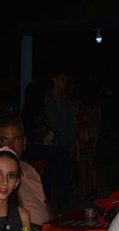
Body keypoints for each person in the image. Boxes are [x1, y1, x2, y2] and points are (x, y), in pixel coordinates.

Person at [0, 114, 54, 227]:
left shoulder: (29, 169)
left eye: (16, 140)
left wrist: (54, 228)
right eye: (3, 140)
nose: (10, 146)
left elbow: (44, 202)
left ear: (24, 142)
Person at [43, 70, 75, 212]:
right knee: (48, 177)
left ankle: (63, 207)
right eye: (62, 79)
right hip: (49, 144)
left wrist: (72, 143)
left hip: (63, 144)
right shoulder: (46, 98)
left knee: (63, 177)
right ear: (54, 80)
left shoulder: (67, 101)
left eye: (65, 80)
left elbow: (70, 123)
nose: (64, 82)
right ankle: (47, 206)